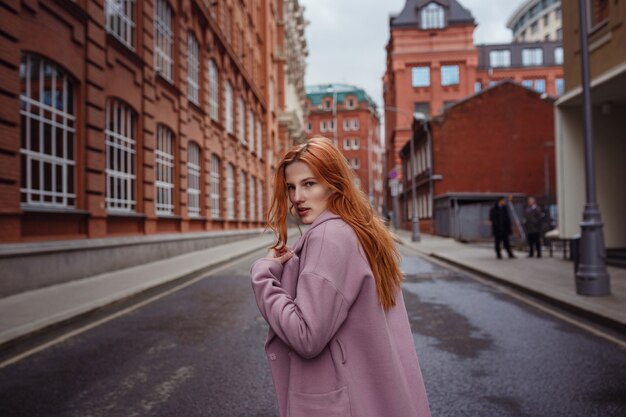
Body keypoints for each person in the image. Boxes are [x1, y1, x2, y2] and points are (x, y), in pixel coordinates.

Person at [250, 136, 431, 417]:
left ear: (334, 184)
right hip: (368, 395)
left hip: (340, 404)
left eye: (309, 184)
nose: (297, 197)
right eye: (291, 187)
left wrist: (263, 275)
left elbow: (306, 336)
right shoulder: (359, 229)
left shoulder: (327, 237)